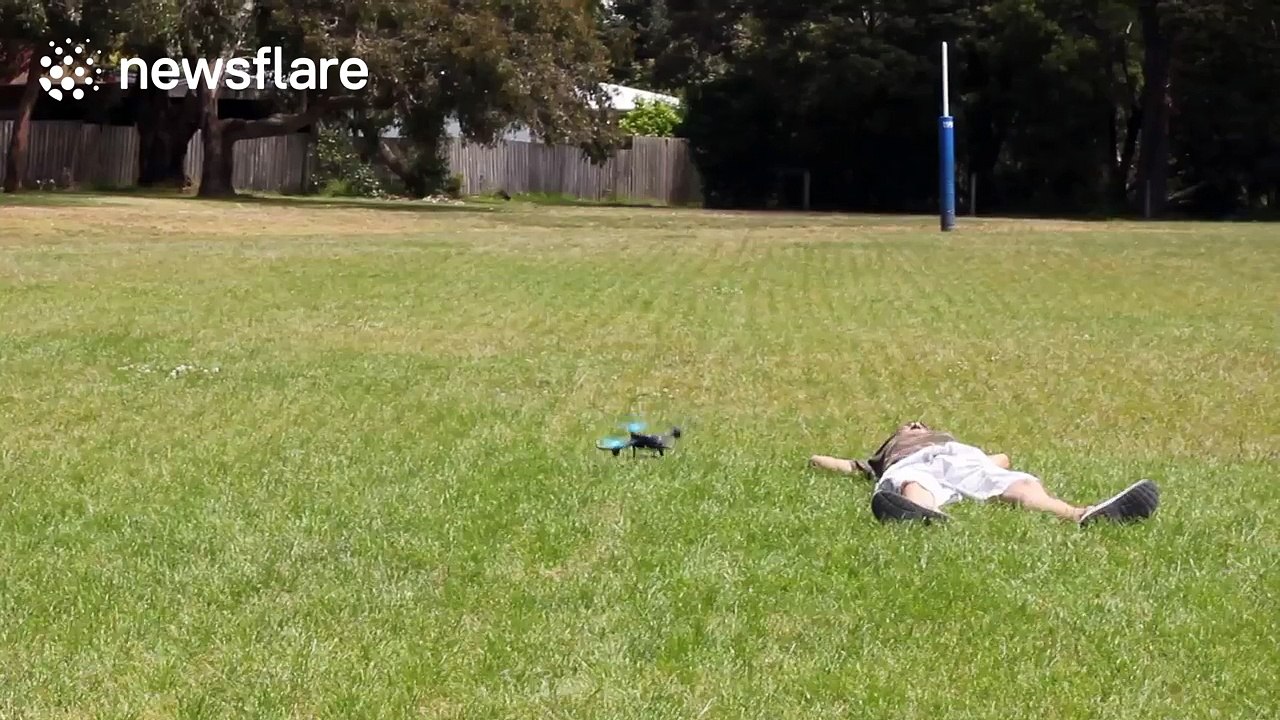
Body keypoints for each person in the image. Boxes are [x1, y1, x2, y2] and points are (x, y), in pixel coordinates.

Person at [808, 421, 1159, 525]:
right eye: (907, 425)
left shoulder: (952, 442)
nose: (916, 423)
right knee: (914, 484)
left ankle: (1081, 515)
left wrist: (990, 465)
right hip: (913, 468)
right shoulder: (887, 457)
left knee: (1021, 483)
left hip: (964, 460)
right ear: (893, 438)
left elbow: (1003, 459)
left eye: (921, 422)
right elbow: (824, 462)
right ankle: (925, 517)